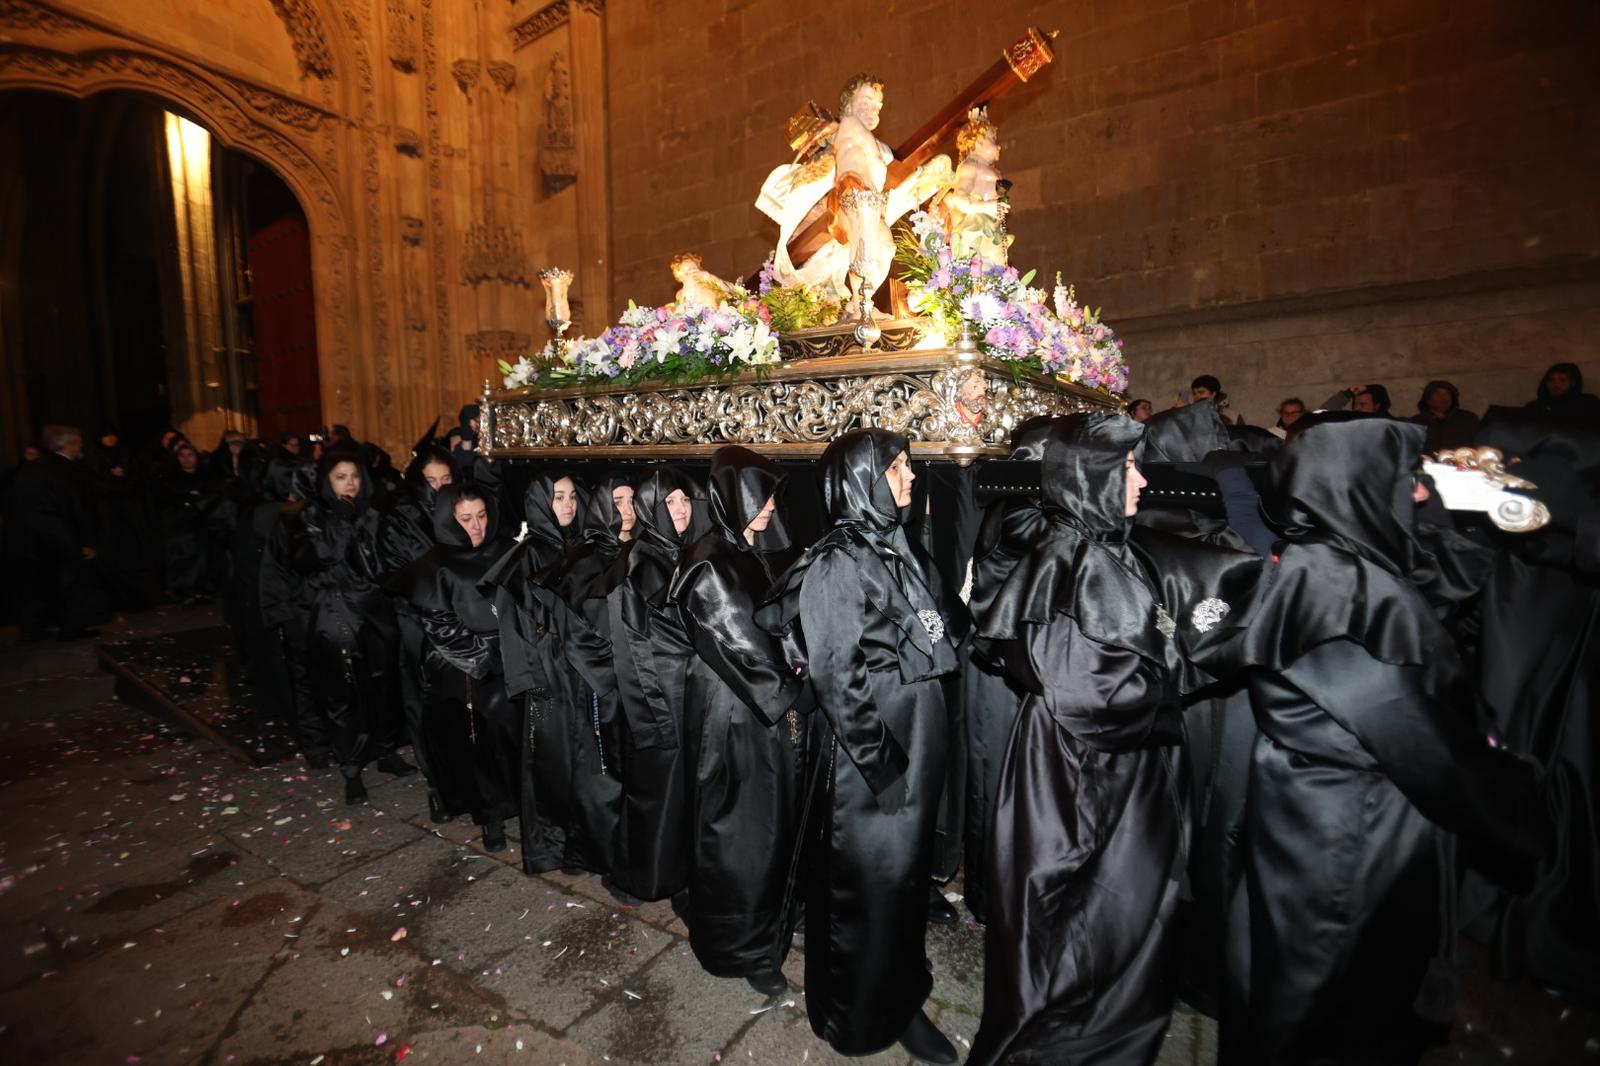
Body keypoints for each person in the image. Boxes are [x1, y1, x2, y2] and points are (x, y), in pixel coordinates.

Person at [1196, 418, 1549, 1064]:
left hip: (1334, 830)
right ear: (1358, 489)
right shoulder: (1327, 602)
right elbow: (1436, 755)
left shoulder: (1332, 560)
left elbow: (1427, 581)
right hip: (1342, 857)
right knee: (1325, 1022)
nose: (1417, 495)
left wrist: (1464, 505)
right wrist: (1536, 805)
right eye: (1405, 481)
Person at [967, 413, 1204, 1066]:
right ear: (1094, 474)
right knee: (1068, 925)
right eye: (1128, 468)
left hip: (1108, 773)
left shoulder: (1104, 544)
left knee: (1115, 925)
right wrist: (1175, 688)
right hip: (1078, 779)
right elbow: (1080, 690)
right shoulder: (1068, 556)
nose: (1142, 480)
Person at [759, 428, 960, 1064]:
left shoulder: (893, 545)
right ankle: (862, 1013)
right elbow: (838, 681)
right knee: (866, 890)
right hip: (870, 763)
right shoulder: (837, 561)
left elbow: (929, 629)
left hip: (913, 740)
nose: (910, 478)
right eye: (897, 468)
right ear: (861, 480)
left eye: (907, 466)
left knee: (900, 886)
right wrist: (883, 769)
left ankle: (899, 994)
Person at [671, 447, 808, 995]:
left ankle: (771, 917)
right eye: (762, 494)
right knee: (739, 829)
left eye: (773, 494)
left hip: (760, 709)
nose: (771, 506)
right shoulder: (710, 562)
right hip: (733, 714)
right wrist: (796, 683)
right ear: (732, 495)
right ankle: (743, 945)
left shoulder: (750, 550)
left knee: (771, 822)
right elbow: (746, 649)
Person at [487, 472, 619, 876]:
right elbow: (512, 621)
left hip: (579, 672)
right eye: (557, 497)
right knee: (548, 766)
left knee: (584, 763)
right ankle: (552, 848)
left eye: (571, 497)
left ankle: (582, 848)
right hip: (548, 680)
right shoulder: (525, 555)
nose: (566, 505)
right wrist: (535, 678)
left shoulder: (579, 548)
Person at [960, 418, 1057, 925]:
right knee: (994, 784)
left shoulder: (1031, 507)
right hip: (998, 668)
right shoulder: (1023, 513)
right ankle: (988, 897)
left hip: (1011, 662)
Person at [392, 485, 518, 851]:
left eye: (481, 517)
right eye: (465, 519)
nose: (476, 527)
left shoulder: (508, 550)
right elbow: (440, 625)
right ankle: (490, 815)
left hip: (512, 655)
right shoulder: (434, 565)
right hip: (465, 663)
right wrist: (487, 660)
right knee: (477, 743)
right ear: (449, 520)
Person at [286, 448, 414, 801]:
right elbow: (312, 559)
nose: (350, 484)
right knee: (342, 693)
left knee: (384, 685)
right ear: (327, 481)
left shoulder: (373, 514)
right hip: (334, 610)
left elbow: (385, 564)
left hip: (374, 609)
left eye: (355, 476)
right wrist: (341, 522)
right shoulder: (311, 514)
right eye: (341, 477)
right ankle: (351, 767)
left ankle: (386, 751)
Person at [607, 467, 704, 902]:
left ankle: (681, 873)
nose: (681, 509)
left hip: (693, 690)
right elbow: (629, 647)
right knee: (656, 793)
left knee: (687, 791)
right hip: (658, 694)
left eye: (685, 499)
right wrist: (651, 717)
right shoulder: (638, 560)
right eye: (670, 502)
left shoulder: (688, 549)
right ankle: (642, 877)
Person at [379, 443, 455, 820]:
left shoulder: (461, 509)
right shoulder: (400, 517)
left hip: (459, 621)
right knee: (423, 702)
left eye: (446, 479)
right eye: (431, 481)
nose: (440, 488)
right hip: (418, 622)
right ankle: (436, 784)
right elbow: (393, 572)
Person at [2, 425, 106, 640]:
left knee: (35, 584)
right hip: (58, 534)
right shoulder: (68, 471)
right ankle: (71, 627)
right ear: (68, 445)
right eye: (78, 443)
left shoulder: (31, 468)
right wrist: (85, 541)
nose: (81, 447)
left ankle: (33, 629)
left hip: (25, 537)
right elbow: (75, 507)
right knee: (69, 582)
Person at [1411, 379, 1479, 451]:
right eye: (1437, 393)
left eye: (1447, 393)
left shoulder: (1468, 419)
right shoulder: (1415, 423)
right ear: (1428, 399)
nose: (1443, 397)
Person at [1525, 360, 1600, 421]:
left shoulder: (1588, 404)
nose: (1555, 384)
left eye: (1562, 380)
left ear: (1573, 383)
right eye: (1551, 380)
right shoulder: (1535, 407)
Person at [1320, 383, 1392, 416]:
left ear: (1377, 406)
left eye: (1362, 404)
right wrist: (1348, 394)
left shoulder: (1390, 427)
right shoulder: (1351, 423)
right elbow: (1320, 416)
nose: (1357, 408)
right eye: (1354, 404)